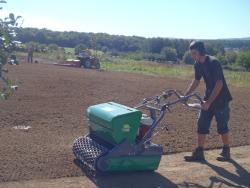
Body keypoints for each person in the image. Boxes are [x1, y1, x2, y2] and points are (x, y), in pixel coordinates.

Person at [183, 41, 232, 162]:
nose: (192, 55)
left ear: (201, 51)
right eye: (192, 53)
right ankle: (199, 152)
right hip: (207, 99)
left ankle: (226, 150)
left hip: (221, 100)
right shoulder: (197, 64)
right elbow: (196, 80)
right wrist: (186, 95)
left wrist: (209, 102)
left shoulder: (213, 62)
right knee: (202, 123)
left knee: (222, 126)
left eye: (194, 53)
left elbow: (219, 84)